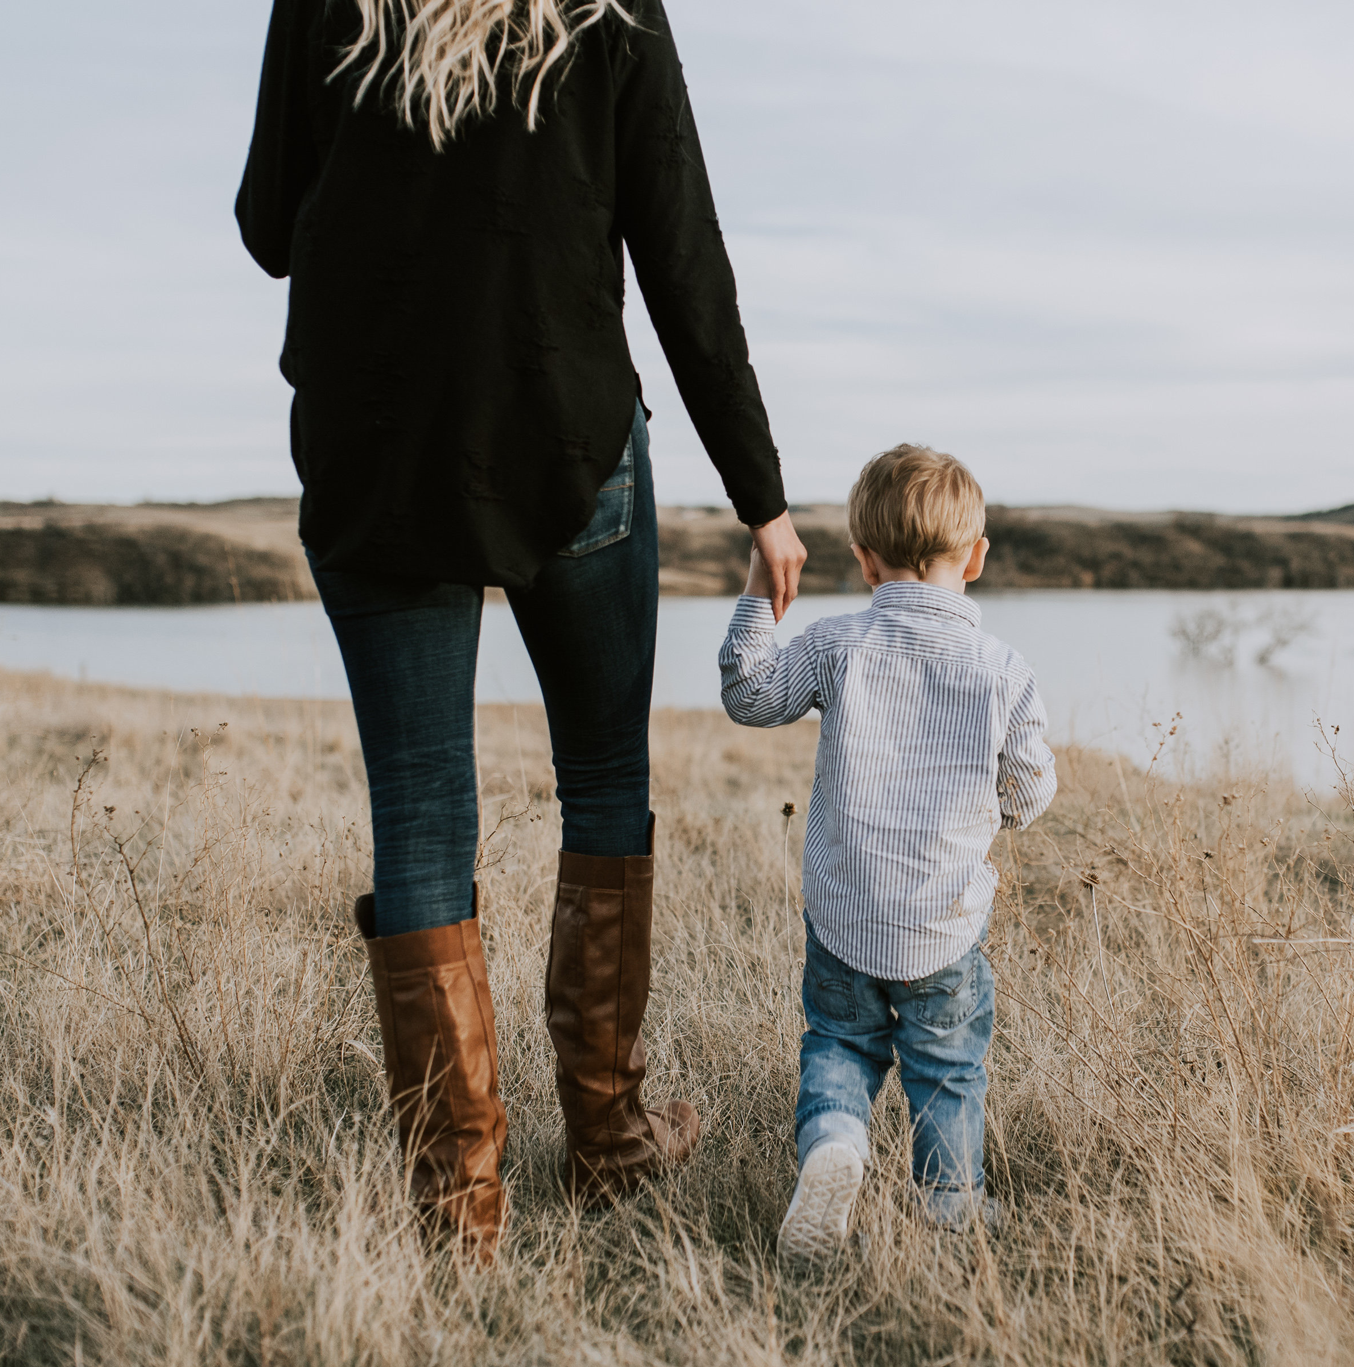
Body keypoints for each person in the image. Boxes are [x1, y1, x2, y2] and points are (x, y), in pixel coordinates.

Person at [235, 0, 808, 1263]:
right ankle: (608, 1140)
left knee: (422, 813)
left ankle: (460, 1209)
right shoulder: (609, 8)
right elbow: (681, 253)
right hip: (567, 442)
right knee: (604, 778)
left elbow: (267, 226)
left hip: (379, 449)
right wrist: (760, 495)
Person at [718, 444, 1056, 1260]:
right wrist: (996, 813)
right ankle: (948, 1208)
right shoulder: (1003, 670)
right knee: (946, 1067)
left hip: (844, 913)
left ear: (865, 561)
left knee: (839, 1044)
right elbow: (1031, 789)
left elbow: (749, 694)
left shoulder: (839, 644)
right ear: (975, 557)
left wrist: (761, 595)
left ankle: (835, 1141)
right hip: (944, 922)